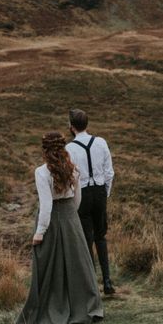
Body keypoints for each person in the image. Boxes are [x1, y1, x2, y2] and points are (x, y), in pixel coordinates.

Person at [16, 131, 103, 324]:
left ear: (45, 150)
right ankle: (84, 307)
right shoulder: (73, 169)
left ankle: (53, 308)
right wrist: (71, 215)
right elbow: (77, 199)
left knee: (51, 265)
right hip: (71, 218)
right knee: (77, 264)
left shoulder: (41, 172)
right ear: (62, 148)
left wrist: (39, 233)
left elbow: (46, 206)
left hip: (53, 221)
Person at [66, 109, 116, 295]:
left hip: (83, 194)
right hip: (100, 192)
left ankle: (92, 285)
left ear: (71, 127)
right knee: (101, 237)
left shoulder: (69, 148)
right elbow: (109, 172)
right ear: (87, 124)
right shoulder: (101, 142)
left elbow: (70, 177)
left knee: (86, 240)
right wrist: (105, 193)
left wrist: (73, 198)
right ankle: (108, 281)